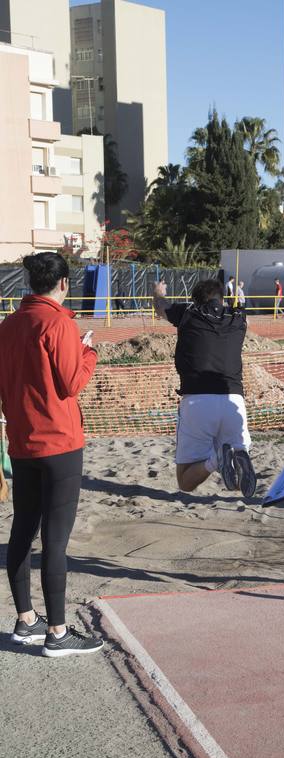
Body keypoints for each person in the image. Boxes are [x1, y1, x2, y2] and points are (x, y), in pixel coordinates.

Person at [0, 252, 104, 657]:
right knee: (55, 540)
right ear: (63, 284)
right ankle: (58, 632)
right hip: (59, 442)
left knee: (22, 529)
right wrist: (88, 352)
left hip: (22, 442)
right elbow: (71, 382)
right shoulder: (58, 322)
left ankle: (26, 619)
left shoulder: (8, 325)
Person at [152, 278, 256, 499]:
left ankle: (215, 461)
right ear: (222, 298)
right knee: (237, 473)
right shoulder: (239, 318)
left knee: (185, 481)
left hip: (197, 400)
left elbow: (160, 307)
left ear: (195, 300)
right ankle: (236, 454)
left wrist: (158, 292)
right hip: (233, 400)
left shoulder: (188, 313)